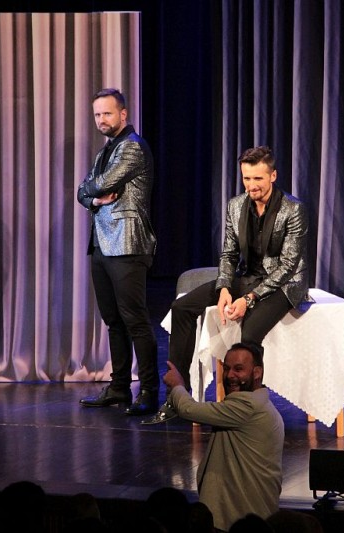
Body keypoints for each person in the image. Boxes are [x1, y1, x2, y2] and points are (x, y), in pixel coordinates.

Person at [144, 145, 309, 424]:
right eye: (247, 178)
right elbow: (229, 255)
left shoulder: (293, 209)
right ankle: (176, 397)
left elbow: (288, 265)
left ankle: (248, 407)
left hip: (284, 285)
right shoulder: (236, 205)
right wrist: (223, 289)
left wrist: (249, 299)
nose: (251, 185)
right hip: (247, 276)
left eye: (258, 178)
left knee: (249, 334)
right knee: (182, 307)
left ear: (273, 176)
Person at [76, 88, 160, 416]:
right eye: (97, 114)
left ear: (123, 114)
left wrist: (92, 192)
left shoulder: (133, 147)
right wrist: (94, 198)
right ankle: (119, 386)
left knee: (135, 319)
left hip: (127, 244)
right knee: (113, 321)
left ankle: (150, 390)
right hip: (101, 244)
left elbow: (97, 184)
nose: (101, 119)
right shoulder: (105, 151)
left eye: (107, 113)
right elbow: (84, 192)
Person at [162, 342, 284, 532]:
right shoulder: (260, 404)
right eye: (227, 368)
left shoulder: (248, 405)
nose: (230, 375)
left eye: (239, 369)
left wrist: (177, 385)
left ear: (257, 372)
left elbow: (188, 409)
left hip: (242, 519)